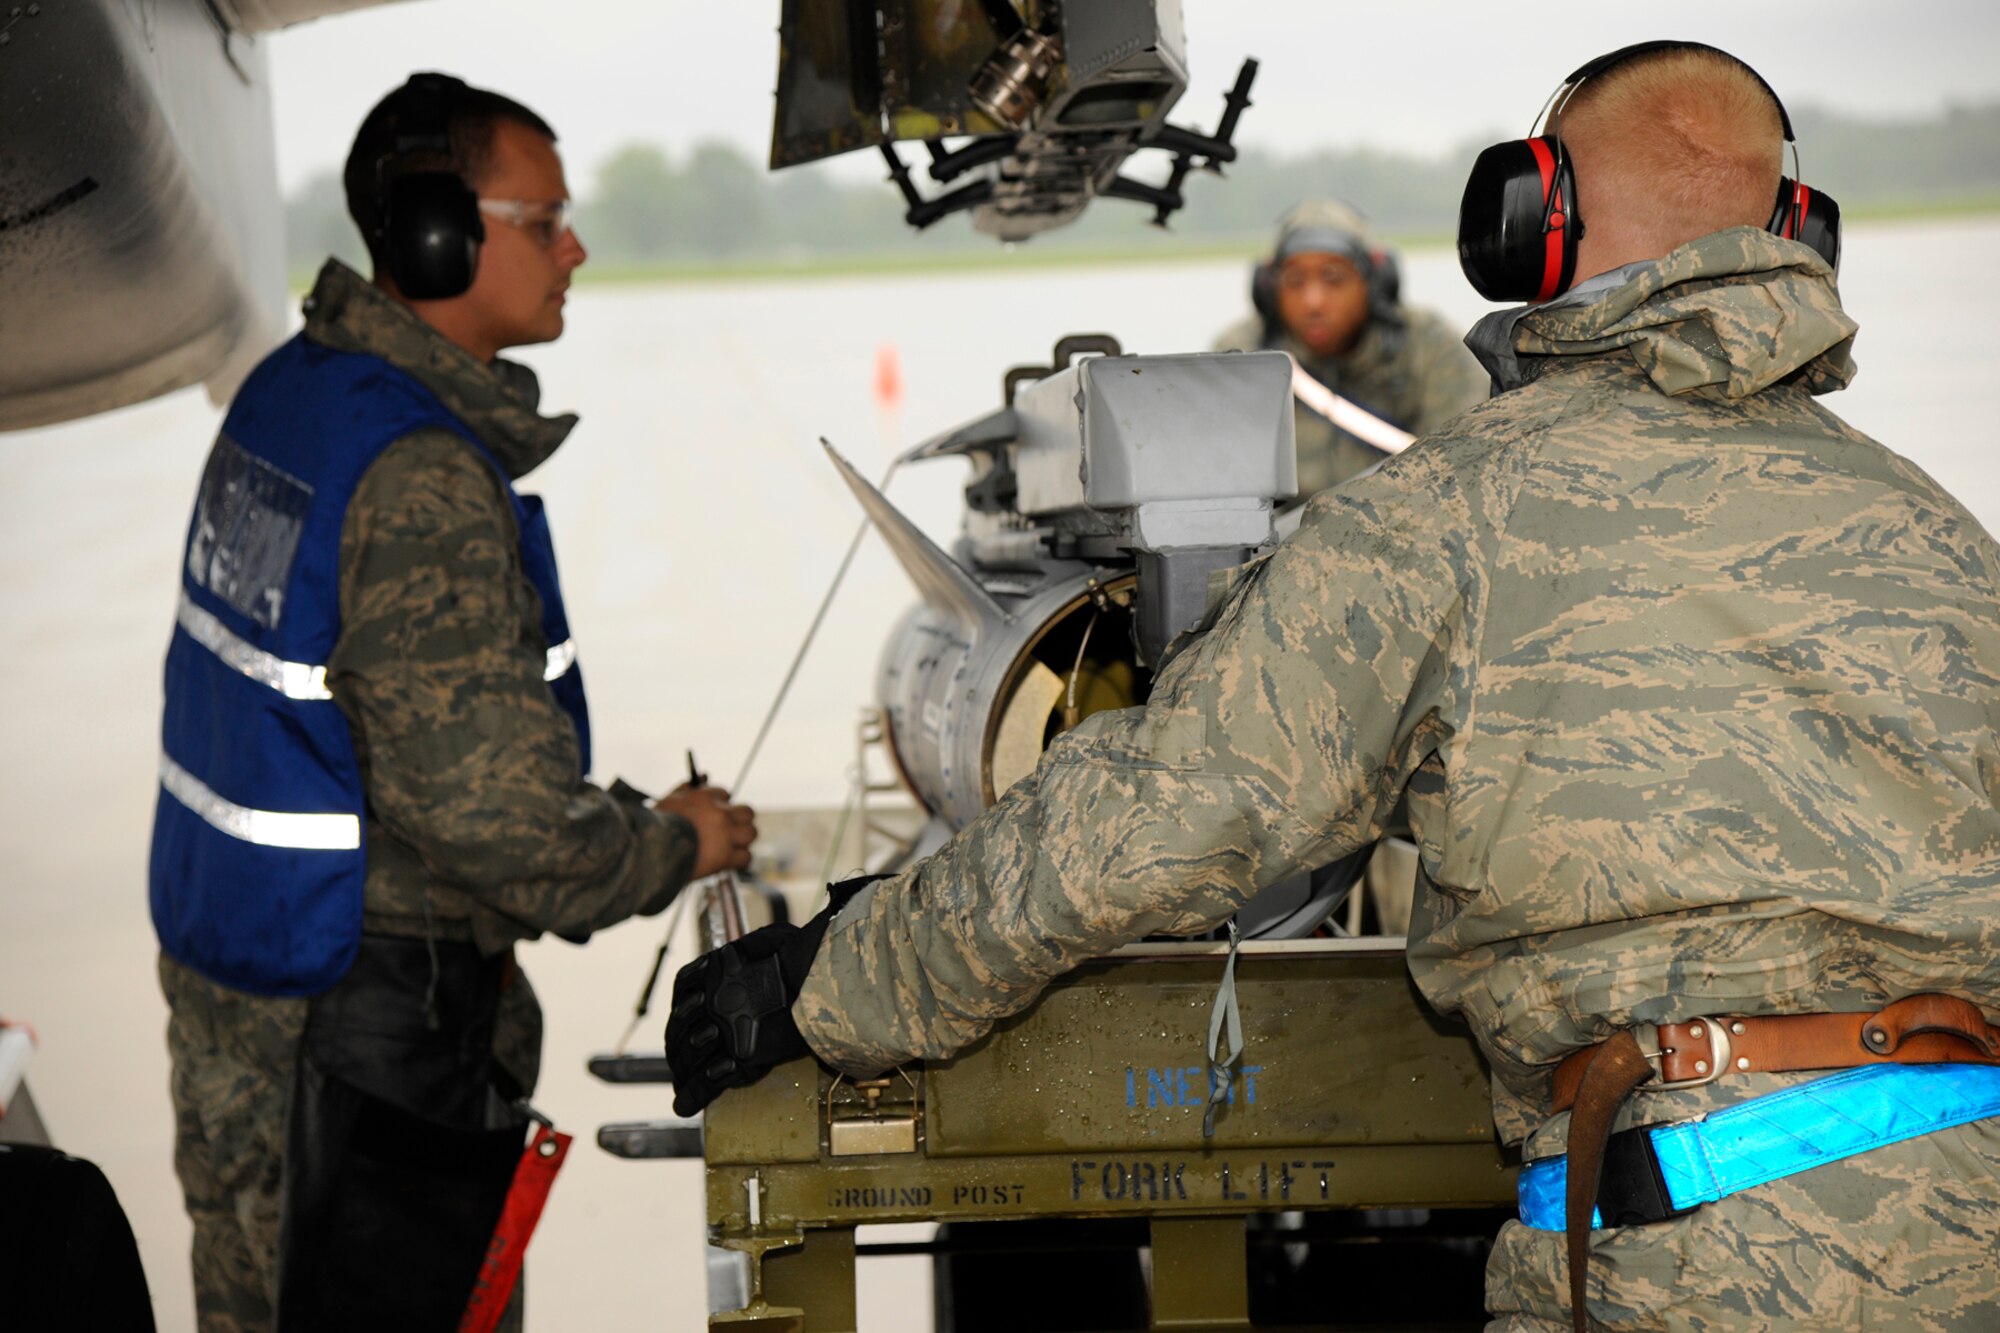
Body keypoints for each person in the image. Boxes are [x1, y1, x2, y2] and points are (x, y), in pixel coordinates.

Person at [668, 42, 2000, 1332]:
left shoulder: (1453, 514)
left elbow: (1154, 823)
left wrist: (832, 978)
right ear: (1795, 228)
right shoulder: (1943, 533)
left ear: (1534, 219)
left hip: (1708, 1247)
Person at [149, 74, 755, 1331]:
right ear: (439, 233)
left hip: (242, 987)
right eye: (542, 220)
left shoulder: (292, 394)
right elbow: (508, 833)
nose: (573, 247)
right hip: (360, 1037)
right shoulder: (418, 471)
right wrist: (676, 840)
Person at [1213, 200, 1487, 497]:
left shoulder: (1429, 348)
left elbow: (1469, 466)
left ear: (1374, 283)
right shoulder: (1240, 358)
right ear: (1268, 289)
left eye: (1333, 277)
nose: (1313, 302)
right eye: (1295, 280)